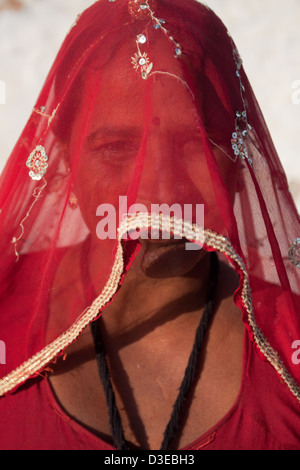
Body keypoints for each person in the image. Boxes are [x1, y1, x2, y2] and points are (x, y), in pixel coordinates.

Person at [0, 0, 299, 451]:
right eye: (117, 147)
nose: (158, 190)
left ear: (239, 155)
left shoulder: (288, 346)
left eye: (193, 143)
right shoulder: (7, 315)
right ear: (65, 157)